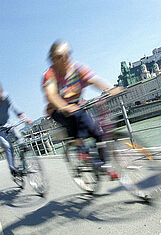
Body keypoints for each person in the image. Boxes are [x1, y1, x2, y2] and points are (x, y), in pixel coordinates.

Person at [42, 40, 122, 177]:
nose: (65, 58)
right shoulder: (50, 74)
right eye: (59, 56)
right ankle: (82, 152)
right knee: (76, 118)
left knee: (98, 133)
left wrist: (111, 89)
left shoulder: (78, 68)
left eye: (67, 54)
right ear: (52, 60)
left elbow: (94, 80)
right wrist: (64, 107)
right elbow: (51, 95)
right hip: (57, 110)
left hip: (78, 105)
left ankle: (104, 165)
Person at [0, 83, 32, 177]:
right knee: (7, 145)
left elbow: (15, 108)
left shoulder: (5, 97)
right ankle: (12, 168)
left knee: (20, 138)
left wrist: (24, 118)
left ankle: (24, 162)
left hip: (8, 123)